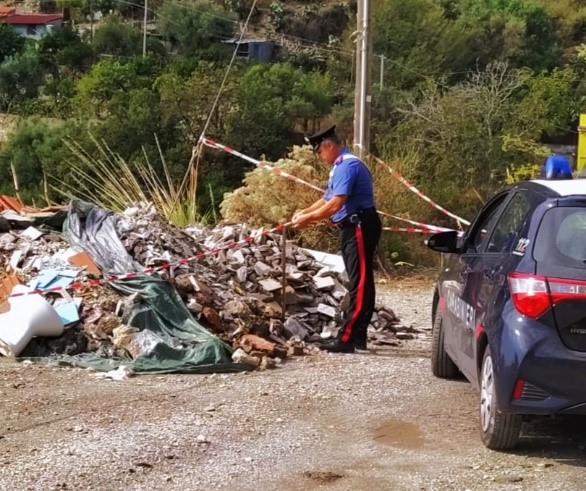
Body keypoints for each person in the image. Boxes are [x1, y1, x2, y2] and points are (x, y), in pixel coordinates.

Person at [292, 125, 382, 353]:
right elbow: (326, 198)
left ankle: (347, 338)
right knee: (361, 279)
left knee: (359, 283)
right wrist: (305, 212)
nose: (319, 157)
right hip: (353, 226)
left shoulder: (347, 165)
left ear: (329, 146)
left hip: (359, 225)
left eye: (319, 152)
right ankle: (358, 335)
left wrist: (308, 219)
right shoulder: (339, 166)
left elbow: (336, 203)